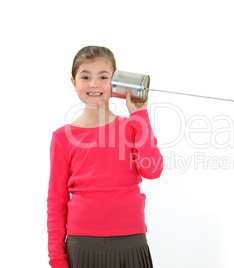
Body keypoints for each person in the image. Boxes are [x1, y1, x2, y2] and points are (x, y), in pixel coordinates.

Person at [47, 46, 163, 268]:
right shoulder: (62, 137)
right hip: (81, 244)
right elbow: (56, 200)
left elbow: (153, 170)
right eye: (85, 76)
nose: (94, 84)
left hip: (131, 241)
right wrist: (56, 258)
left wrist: (140, 114)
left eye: (103, 77)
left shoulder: (132, 126)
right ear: (73, 82)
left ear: (115, 82)